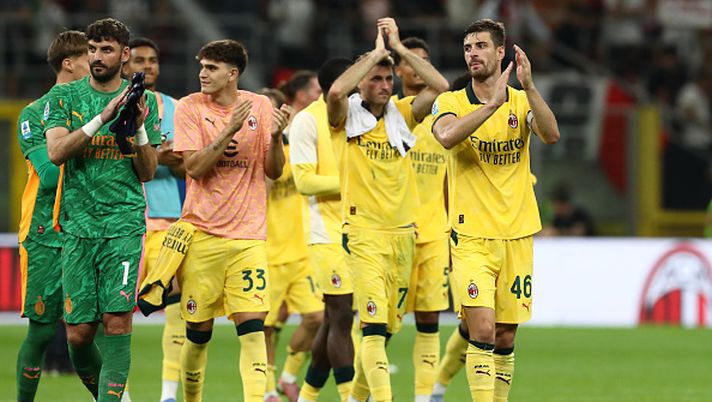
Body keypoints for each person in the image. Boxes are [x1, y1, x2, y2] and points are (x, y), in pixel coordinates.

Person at [431, 19, 560, 402]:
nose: (473, 53)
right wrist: (491, 105)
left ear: (500, 52)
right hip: (471, 237)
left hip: (517, 234)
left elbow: (551, 134)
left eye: (481, 46)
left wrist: (530, 87)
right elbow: (447, 136)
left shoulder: (521, 104)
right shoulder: (450, 102)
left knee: (505, 334)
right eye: (468, 46)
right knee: (482, 330)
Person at [327, 17, 448, 402]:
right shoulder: (346, 116)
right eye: (375, 79)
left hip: (403, 236)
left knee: (388, 329)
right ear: (362, 81)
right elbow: (334, 92)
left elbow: (442, 86)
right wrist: (375, 55)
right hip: (363, 236)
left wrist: (397, 49)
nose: (383, 85)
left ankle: (355, 398)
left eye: (387, 79)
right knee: (374, 327)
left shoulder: (403, 114)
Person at [44, 18, 162, 401]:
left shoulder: (145, 100)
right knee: (78, 335)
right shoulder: (64, 98)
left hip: (124, 225)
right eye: (92, 49)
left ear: (124, 55)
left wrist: (139, 127)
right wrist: (104, 118)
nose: (97, 56)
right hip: (77, 226)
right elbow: (57, 153)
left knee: (117, 320)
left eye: (106, 49)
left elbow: (146, 171)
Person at [172, 39, 291, 402]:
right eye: (202, 67)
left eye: (210, 68)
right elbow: (193, 168)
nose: (202, 74)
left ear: (232, 74)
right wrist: (227, 131)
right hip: (202, 234)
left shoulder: (259, 105)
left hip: (248, 237)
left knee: (253, 328)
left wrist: (274, 137)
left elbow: (273, 171)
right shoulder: (190, 107)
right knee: (197, 332)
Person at [15, 29, 88, 402]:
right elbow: (48, 176)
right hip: (44, 231)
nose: (96, 64)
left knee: (95, 329)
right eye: (89, 57)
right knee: (43, 332)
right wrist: (91, 144)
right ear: (69, 63)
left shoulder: (91, 110)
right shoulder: (31, 115)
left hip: (88, 230)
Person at [122, 36, 185, 402]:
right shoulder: (110, 105)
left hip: (165, 218)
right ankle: (122, 394)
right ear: (126, 65)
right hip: (121, 218)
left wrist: (139, 153)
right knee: (116, 313)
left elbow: (184, 161)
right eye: (139, 60)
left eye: (153, 60)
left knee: (175, 298)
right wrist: (158, 153)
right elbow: (168, 155)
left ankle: (167, 395)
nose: (146, 66)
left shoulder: (174, 107)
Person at [290, 58, 356, 402]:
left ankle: (306, 395)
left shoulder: (358, 118)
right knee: (342, 314)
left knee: (334, 319)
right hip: (325, 231)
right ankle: (350, 396)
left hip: (358, 230)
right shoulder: (306, 121)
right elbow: (304, 181)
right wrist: (353, 184)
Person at [392, 37, 451, 402]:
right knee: (378, 327)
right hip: (394, 234)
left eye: (424, 61)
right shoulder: (392, 114)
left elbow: (450, 179)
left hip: (434, 234)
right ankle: (361, 393)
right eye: (410, 61)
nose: (417, 67)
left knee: (429, 324)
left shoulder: (447, 117)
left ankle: (423, 397)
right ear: (398, 69)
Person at [264, 71, 324, 402]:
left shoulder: (299, 141)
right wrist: (272, 141)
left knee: (317, 317)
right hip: (270, 251)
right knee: (267, 327)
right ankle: (268, 389)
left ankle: (289, 374)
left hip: (301, 250)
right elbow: (266, 187)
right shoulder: (267, 153)